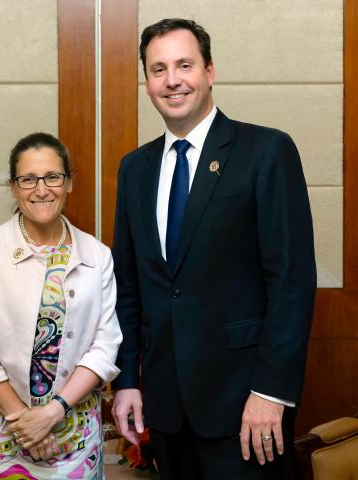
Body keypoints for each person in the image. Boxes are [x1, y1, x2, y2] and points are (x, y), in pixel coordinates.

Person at [111, 18, 316, 479]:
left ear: (209, 72)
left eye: (184, 65)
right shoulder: (134, 170)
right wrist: (127, 380)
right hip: (165, 410)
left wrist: (271, 392)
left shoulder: (265, 151)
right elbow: (128, 286)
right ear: (147, 82)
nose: (172, 80)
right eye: (158, 69)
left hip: (246, 406)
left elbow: (292, 283)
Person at [0, 132, 122, 479]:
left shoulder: (97, 255)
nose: (41, 189)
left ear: (69, 182)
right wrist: (24, 423)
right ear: (13, 188)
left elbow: (105, 346)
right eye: (28, 179)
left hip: (72, 433)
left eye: (52, 177)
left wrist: (52, 413)